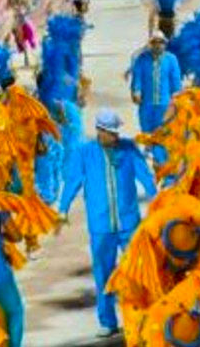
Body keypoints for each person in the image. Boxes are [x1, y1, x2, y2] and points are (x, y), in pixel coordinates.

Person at [59, 111, 157, 338]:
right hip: (101, 224)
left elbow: (145, 176)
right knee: (103, 273)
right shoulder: (86, 153)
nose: (115, 137)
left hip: (128, 222)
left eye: (116, 133)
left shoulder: (129, 148)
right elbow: (73, 181)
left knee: (138, 270)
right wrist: (63, 209)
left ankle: (143, 314)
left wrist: (157, 199)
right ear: (100, 131)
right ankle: (108, 320)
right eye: (110, 133)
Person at [129, 34, 182, 146]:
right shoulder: (142, 59)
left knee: (163, 135)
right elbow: (137, 77)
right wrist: (136, 91)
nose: (158, 45)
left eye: (161, 42)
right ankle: (150, 154)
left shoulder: (171, 59)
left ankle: (161, 159)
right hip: (146, 104)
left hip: (165, 104)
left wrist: (177, 98)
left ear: (165, 44)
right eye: (155, 43)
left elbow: (176, 80)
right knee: (147, 134)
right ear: (150, 44)